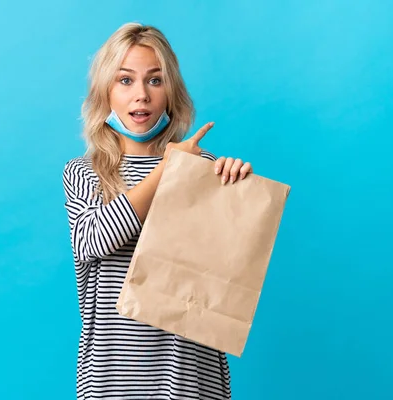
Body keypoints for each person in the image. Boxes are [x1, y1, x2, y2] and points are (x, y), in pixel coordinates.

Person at [62, 22, 253, 400]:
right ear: (105, 92)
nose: (141, 96)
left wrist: (235, 191)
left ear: (170, 91)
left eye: (154, 80)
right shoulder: (85, 172)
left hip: (192, 379)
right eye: (125, 80)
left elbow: (224, 274)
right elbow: (93, 239)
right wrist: (168, 169)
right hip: (112, 382)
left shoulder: (204, 167)